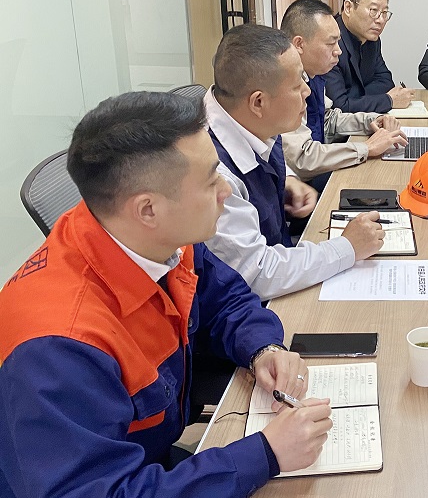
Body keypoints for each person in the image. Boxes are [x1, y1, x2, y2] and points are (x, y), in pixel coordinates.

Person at [0, 92, 333, 497]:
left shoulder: (156, 238)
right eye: (211, 180)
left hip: (149, 458)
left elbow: (224, 298)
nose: (226, 192)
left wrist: (262, 348)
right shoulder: (58, 348)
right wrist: (266, 453)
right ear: (148, 210)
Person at [205, 23, 385, 300]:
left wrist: (287, 180)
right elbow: (258, 274)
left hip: (281, 255)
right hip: (255, 301)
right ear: (258, 102)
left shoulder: (250, 120)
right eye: (296, 85)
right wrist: (347, 247)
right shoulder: (212, 174)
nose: (307, 91)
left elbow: (265, 153)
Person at [279, 0, 408, 187]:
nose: (338, 51)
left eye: (338, 42)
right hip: (300, 186)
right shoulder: (283, 85)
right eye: (331, 43)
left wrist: (371, 121)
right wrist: (366, 148)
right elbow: (302, 159)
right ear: (299, 44)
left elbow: (327, 120)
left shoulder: (312, 75)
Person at [323, 0, 414, 113]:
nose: (381, 20)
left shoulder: (372, 40)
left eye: (384, 12)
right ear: (348, 8)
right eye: (373, 10)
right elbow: (338, 106)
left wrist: (353, 97)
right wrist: (388, 100)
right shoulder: (330, 44)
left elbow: (386, 82)